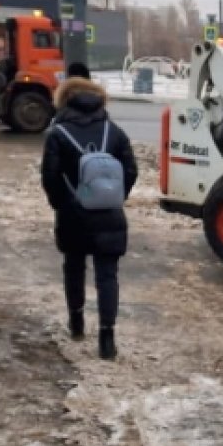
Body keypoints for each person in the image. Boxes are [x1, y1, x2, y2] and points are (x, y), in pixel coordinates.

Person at [41, 72, 138, 359]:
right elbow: (131, 170)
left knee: (74, 267)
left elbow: (50, 176)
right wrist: (113, 197)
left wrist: (63, 203)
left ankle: (77, 322)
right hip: (110, 214)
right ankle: (107, 338)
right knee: (108, 275)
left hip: (73, 216)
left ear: (64, 100)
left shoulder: (57, 134)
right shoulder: (114, 131)